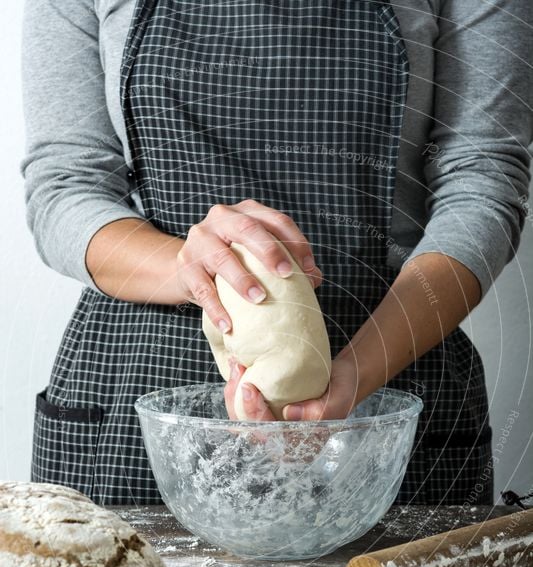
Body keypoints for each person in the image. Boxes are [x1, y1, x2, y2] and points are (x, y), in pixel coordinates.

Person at [22, 0, 532, 506]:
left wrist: (357, 374)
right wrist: (193, 268)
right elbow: (66, 185)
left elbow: (482, 185)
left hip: (392, 370)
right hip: (140, 392)